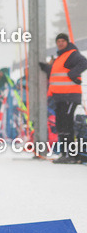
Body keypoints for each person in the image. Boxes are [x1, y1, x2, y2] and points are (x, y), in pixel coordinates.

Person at [41, 33, 86, 162]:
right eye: (58, 41)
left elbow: (84, 62)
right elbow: (58, 73)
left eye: (62, 41)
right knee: (61, 126)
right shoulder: (61, 57)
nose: (60, 43)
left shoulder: (71, 53)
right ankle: (65, 154)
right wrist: (46, 68)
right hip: (60, 97)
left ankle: (70, 155)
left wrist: (73, 74)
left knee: (66, 125)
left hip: (69, 96)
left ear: (67, 42)